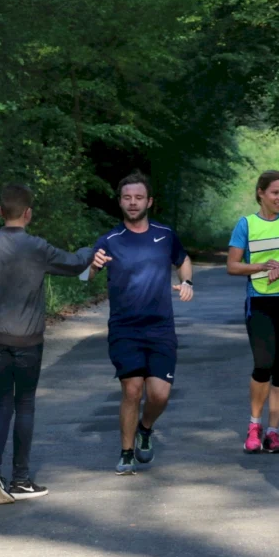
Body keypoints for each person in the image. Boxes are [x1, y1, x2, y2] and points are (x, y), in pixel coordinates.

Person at [0, 184, 92, 505]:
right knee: (25, 404)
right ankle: (20, 478)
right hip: (29, 340)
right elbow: (74, 264)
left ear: (1, 212)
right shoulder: (37, 248)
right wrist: (93, 250)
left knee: (1, 404)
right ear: (28, 213)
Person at [89, 172, 193, 476]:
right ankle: (126, 453)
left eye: (138, 197)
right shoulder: (109, 240)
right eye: (127, 197)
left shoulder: (165, 234)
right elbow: (87, 274)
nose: (132, 202)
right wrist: (92, 265)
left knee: (159, 394)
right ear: (120, 202)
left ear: (149, 202)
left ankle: (145, 428)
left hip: (160, 327)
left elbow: (183, 261)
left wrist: (187, 281)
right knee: (132, 389)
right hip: (125, 328)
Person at [226, 171, 279, 455]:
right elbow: (232, 265)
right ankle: (254, 426)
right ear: (261, 193)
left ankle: (273, 432)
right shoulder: (246, 224)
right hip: (260, 302)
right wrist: (261, 266)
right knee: (263, 364)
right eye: (275, 192)